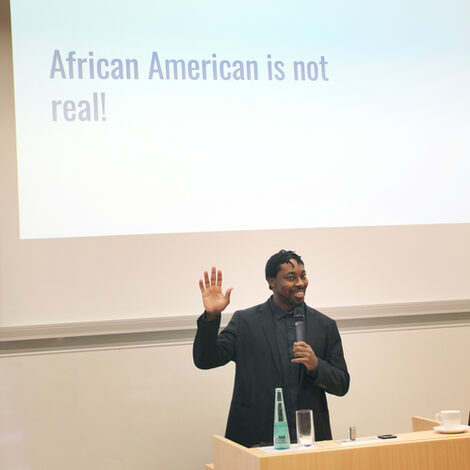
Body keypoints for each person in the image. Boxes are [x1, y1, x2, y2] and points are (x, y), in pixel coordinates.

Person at [193, 249, 350, 447]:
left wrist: (316, 365)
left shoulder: (324, 325)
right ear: (271, 281)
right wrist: (212, 317)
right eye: (291, 277)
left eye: (303, 276)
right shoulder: (246, 322)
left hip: (309, 443)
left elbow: (342, 384)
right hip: (256, 440)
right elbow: (205, 360)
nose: (300, 283)